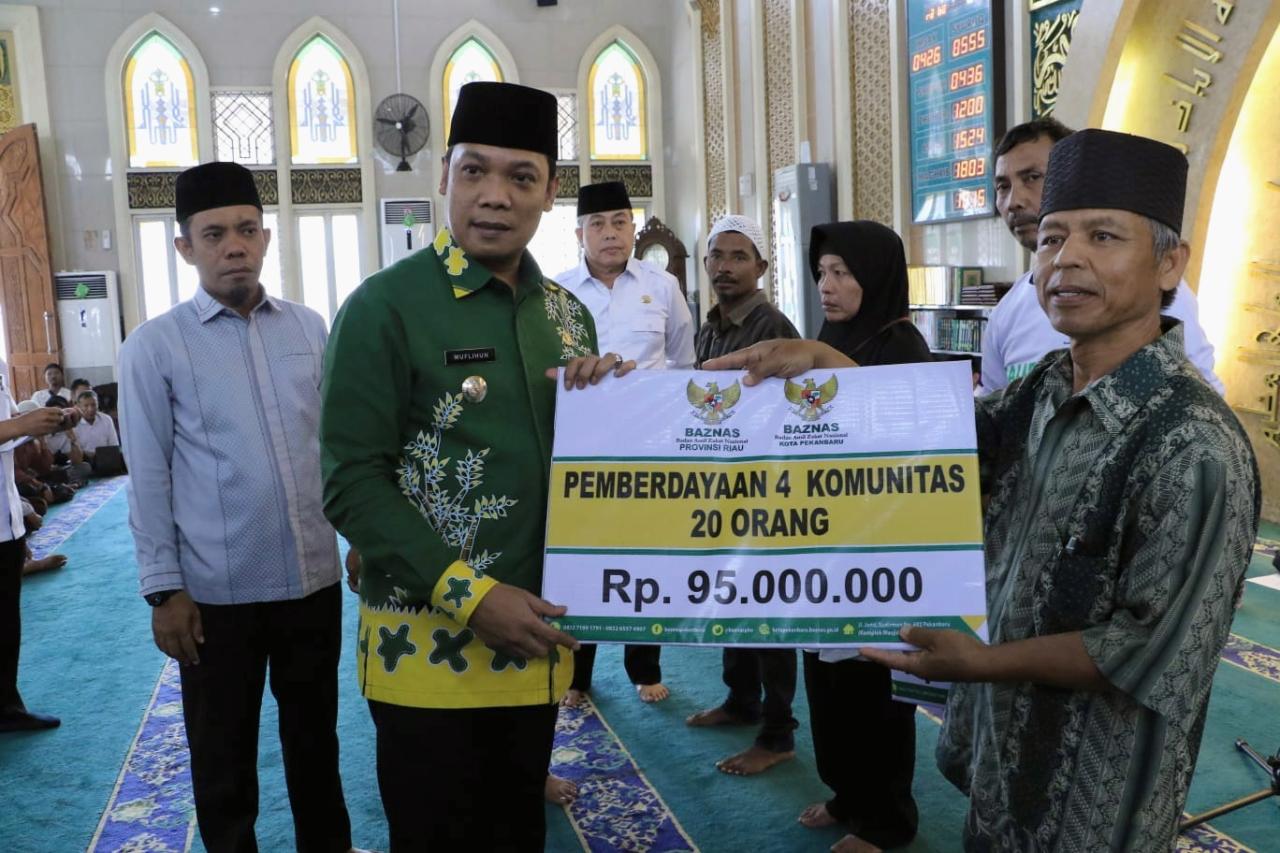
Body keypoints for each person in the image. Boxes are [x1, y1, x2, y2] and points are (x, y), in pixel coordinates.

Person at [706, 129, 1260, 852]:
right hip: (1000, 760)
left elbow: (1149, 646)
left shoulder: (1196, 444)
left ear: (1169, 263)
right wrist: (821, 360)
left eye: (1102, 236)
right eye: (1052, 238)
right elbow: (932, 440)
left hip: (1095, 790)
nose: (1067, 259)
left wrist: (980, 662)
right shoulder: (1043, 388)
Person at [321, 81, 631, 851]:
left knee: (517, 830)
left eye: (521, 176)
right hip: (425, 655)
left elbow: (584, 468)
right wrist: (471, 595)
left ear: (550, 192)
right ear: (444, 175)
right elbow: (351, 480)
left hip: (537, 639)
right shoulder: (384, 308)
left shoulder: (568, 316)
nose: (494, 195)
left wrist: (612, 409)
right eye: (474, 170)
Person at [119, 161, 365, 853]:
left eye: (248, 230)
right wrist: (164, 590)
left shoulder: (309, 328)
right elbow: (149, 478)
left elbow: (337, 446)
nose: (235, 246)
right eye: (215, 233)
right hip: (215, 597)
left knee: (315, 740)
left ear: (266, 238)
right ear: (185, 247)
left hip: (311, 583)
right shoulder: (154, 347)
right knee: (223, 754)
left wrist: (360, 536)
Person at [797, 221, 931, 852]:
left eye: (842, 273)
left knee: (874, 688)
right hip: (823, 544)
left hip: (878, 550)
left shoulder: (902, 344)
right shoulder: (830, 337)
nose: (827, 285)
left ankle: (887, 820)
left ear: (875, 276)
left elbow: (900, 430)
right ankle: (846, 795)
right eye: (822, 272)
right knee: (827, 683)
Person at [556, 180, 695, 710]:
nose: (610, 233)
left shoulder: (662, 285)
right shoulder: (555, 292)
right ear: (579, 234)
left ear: (633, 229)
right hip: (582, 451)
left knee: (646, 558)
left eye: (619, 222)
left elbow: (682, 361)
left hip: (649, 449)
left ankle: (645, 668)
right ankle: (576, 674)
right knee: (582, 558)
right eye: (598, 224)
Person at [980, 117, 1222, 394]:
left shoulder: (1152, 295)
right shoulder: (1009, 312)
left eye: (1102, 237)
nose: (1014, 202)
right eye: (1003, 186)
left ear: (1169, 264)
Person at [685, 214, 803, 777]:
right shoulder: (711, 325)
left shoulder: (771, 325)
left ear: (761, 266)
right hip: (725, 485)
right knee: (734, 595)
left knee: (768, 608)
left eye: (738, 257)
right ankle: (741, 700)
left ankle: (778, 733)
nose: (725, 266)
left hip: (765, 490)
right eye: (717, 256)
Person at [1, 360, 78, 733]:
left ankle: (6, 707)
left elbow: (7, 436)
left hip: (5, 518)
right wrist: (21, 425)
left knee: (6, 621)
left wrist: (45, 424)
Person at [70, 390, 119, 460]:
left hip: (105, 459)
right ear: (78, 407)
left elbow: (114, 445)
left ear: (98, 405)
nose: (90, 409)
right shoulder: (74, 423)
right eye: (86, 406)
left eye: (93, 405)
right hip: (83, 460)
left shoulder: (106, 419)